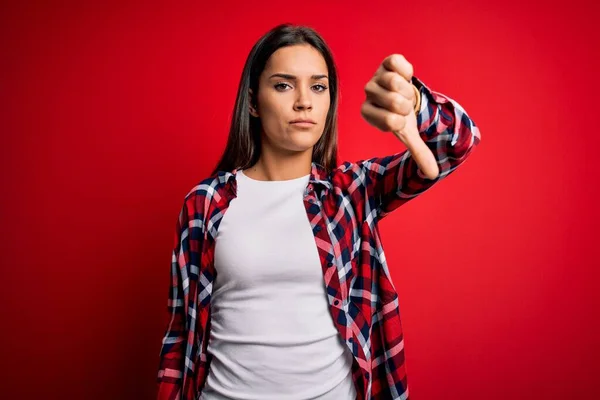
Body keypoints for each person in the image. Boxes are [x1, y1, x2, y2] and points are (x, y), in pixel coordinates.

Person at [157, 23, 481, 400]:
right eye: (283, 85)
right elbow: (180, 334)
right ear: (252, 101)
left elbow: (459, 142)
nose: (304, 102)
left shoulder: (351, 193)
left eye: (318, 86)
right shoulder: (206, 203)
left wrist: (416, 103)